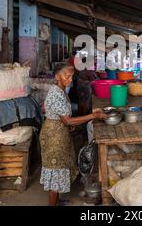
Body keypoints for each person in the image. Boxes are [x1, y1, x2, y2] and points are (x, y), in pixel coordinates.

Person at [39, 64, 107, 206]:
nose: (70, 80)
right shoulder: (56, 93)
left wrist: (69, 125)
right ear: (58, 76)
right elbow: (68, 120)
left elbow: (61, 116)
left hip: (59, 132)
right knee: (55, 171)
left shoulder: (62, 90)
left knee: (61, 167)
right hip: (53, 136)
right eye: (67, 76)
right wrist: (93, 115)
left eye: (72, 76)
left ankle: (58, 201)